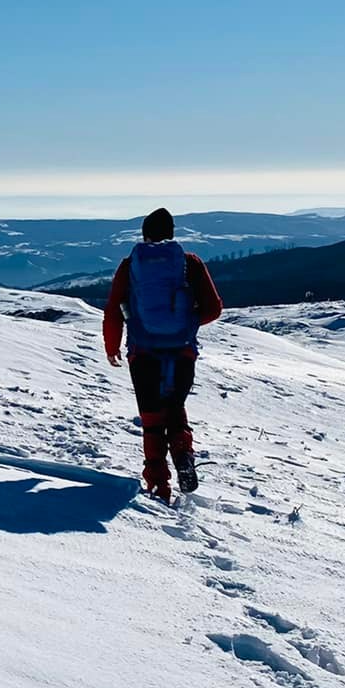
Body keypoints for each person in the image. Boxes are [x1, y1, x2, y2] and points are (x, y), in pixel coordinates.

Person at [102, 207, 223, 502]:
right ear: (171, 233)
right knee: (174, 405)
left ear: (144, 234)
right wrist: (187, 324)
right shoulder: (189, 263)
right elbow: (214, 309)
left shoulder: (131, 264)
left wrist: (112, 346)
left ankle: (158, 486)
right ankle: (182, 452)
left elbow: (114, 309)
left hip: (142, 353)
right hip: (181, 352)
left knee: (152, 418)